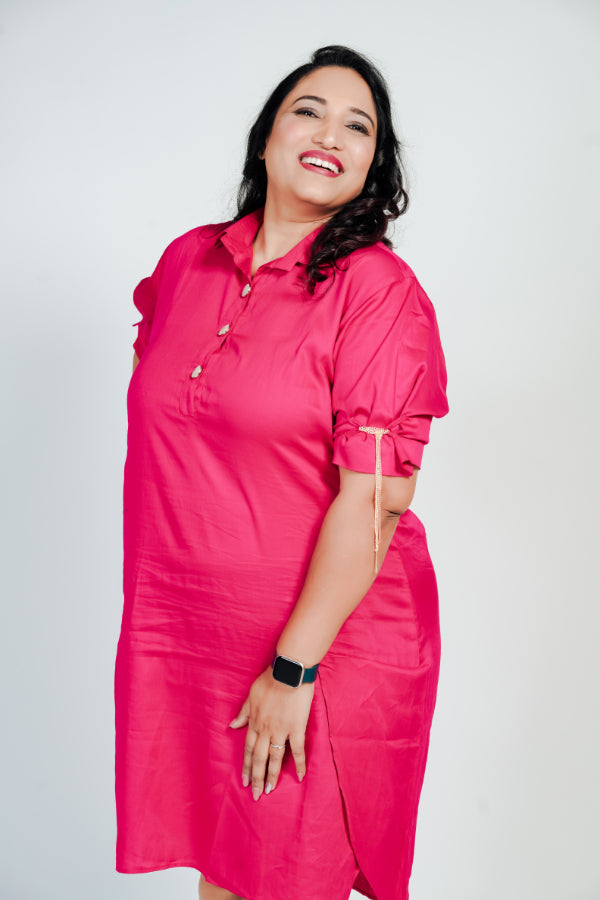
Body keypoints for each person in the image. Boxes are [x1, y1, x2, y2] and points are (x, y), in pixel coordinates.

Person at [114, 44, 449, 900]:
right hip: (190, 636)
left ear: (374, 167)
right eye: (308, 111)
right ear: (266, 136)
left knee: (281, 881)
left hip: (318, 647)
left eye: (358, 126)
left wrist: (294, 669)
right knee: (225, 880)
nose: (330, 133)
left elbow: (377, 501)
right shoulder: (188, 262)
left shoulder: (376, 290)